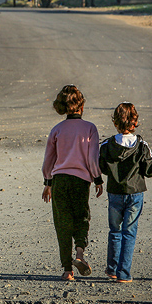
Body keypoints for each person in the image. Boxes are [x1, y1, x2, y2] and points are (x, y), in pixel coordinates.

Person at [42, 84, 103, 282]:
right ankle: (80, 255)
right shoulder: (90, 128)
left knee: (62, 224)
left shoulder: (57, 129)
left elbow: (48, 160)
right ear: (82, 106)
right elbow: (93, 158)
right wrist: (98, 178)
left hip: (59, 180)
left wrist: (47, 182)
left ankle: (67, 270)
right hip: (81, 180)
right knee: (81, 218)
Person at [99, 102, 152, 283]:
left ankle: (112, 268)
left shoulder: (107, 144)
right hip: (135, 193)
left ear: (115, 122)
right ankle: (124, 273)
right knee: (129, 232)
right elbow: (151, 170)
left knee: (114, 231)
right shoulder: (141, 144)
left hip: (114, 192)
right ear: (134, 122)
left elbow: (101, 166)